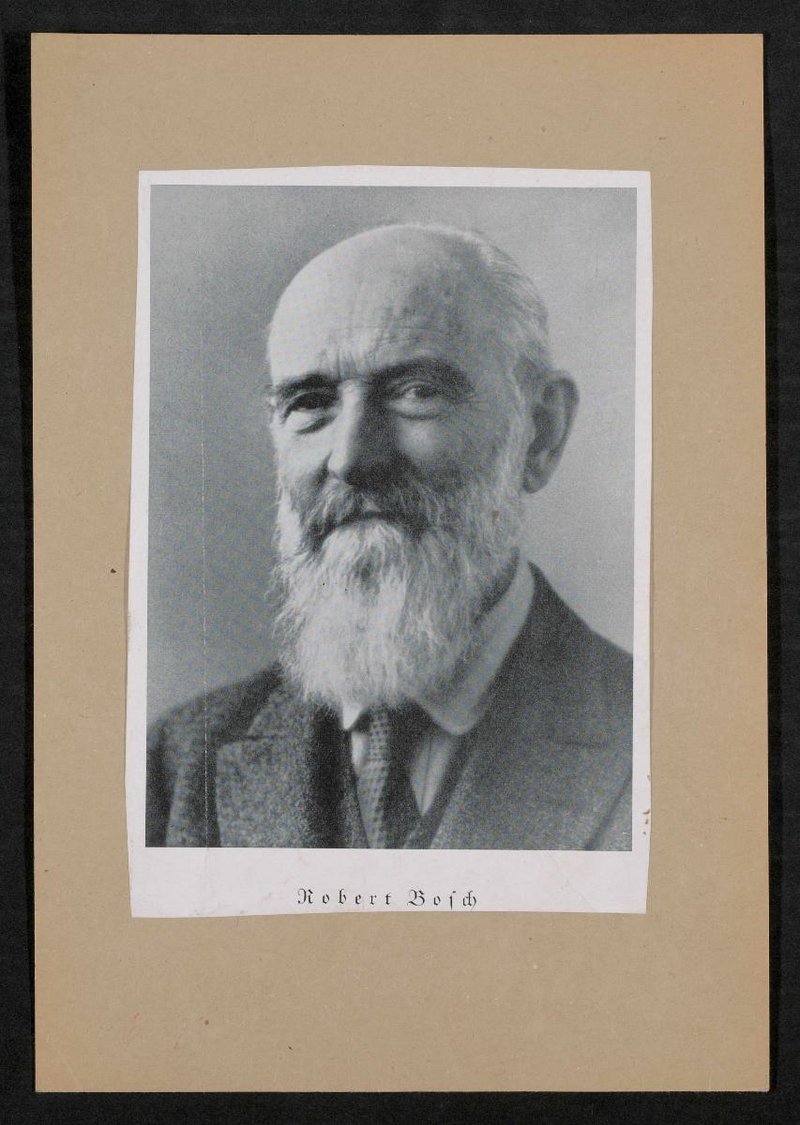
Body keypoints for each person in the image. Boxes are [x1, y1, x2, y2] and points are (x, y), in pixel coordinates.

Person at [146, 223, 632, 850]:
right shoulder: (177, 767)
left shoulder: (669, 743)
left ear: (540, 433)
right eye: (310, 403)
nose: (352, 458)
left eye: (416, 392)